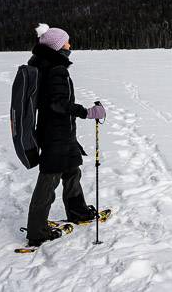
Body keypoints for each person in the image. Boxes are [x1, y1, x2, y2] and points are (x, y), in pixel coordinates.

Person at [24, 23, 106, 247]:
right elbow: (58, 104)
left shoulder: (45, 65)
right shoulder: (55, 69)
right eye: (67, 42)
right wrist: (87, 112)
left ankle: (78, 211)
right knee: (49, 179)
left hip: (58, 132)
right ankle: (37, 231)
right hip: (56, 134)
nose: (70, 45)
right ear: (58, 46)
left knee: (71, 170)